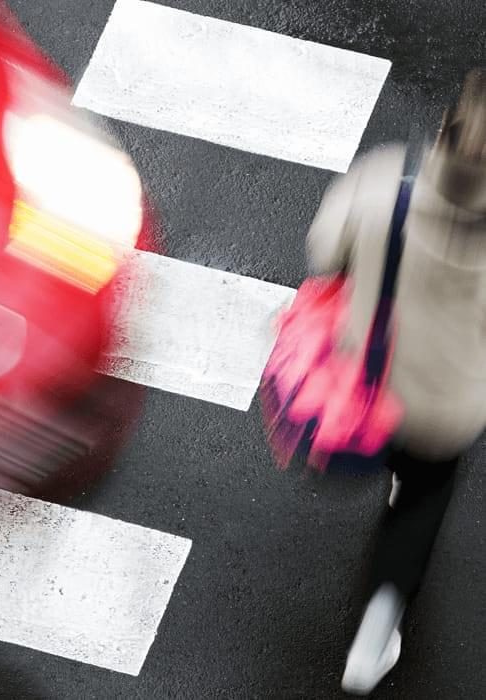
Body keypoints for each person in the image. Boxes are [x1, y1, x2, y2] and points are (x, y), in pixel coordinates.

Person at [305, 68, 486, 695]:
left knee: (392, 450)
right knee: (423, 502)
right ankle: (377, 628)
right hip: (448, 408)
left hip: (368, 382)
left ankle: (391, 468)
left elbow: (324, 250)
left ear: (445, 128)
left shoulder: (386, 185)